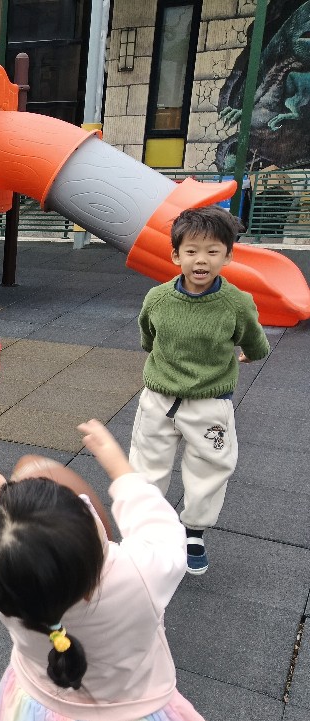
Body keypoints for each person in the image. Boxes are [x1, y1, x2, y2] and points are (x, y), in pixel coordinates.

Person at [0, 420, 264, 721]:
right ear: (95, 540)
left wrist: (2, 500)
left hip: (39, 710)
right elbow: (160, 529)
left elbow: (7, 549)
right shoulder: (138, 576)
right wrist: (118, 465)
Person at [128, 206, 270, 575]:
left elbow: (255, 340)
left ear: (228, 256)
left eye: (212, 251)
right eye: (191, 251)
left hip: (210, 403)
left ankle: (193, 531)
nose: (201, 260)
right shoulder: (158, 299)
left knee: (210, 468)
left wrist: (252, 353)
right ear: (176, 256)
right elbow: (148, 336)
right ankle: (147, 529)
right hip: (160, 399)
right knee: (146, 466)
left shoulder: (236, 303)